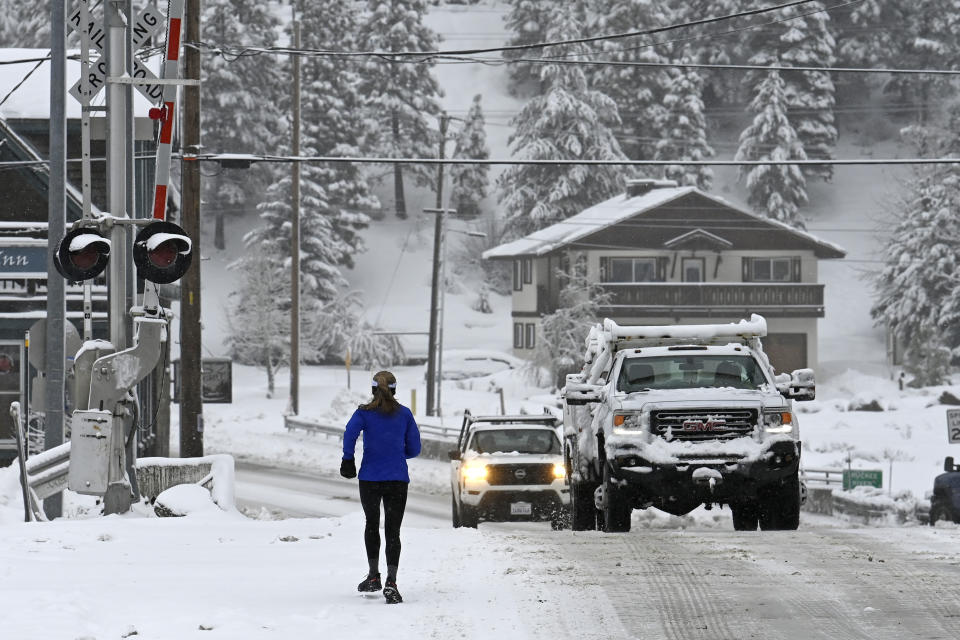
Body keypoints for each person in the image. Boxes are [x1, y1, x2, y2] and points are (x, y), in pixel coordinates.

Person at [340, 370, 421, 604]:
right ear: (394, 390)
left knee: (372, 525)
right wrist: (396, 453)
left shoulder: (363, 414)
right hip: (397, 478)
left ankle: (374, 576)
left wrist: (348, 459)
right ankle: (392, 583)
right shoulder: (404, 414)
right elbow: (415, 449)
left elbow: (349, 433)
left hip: (370, 479)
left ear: (373, 389)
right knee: (393, 530)